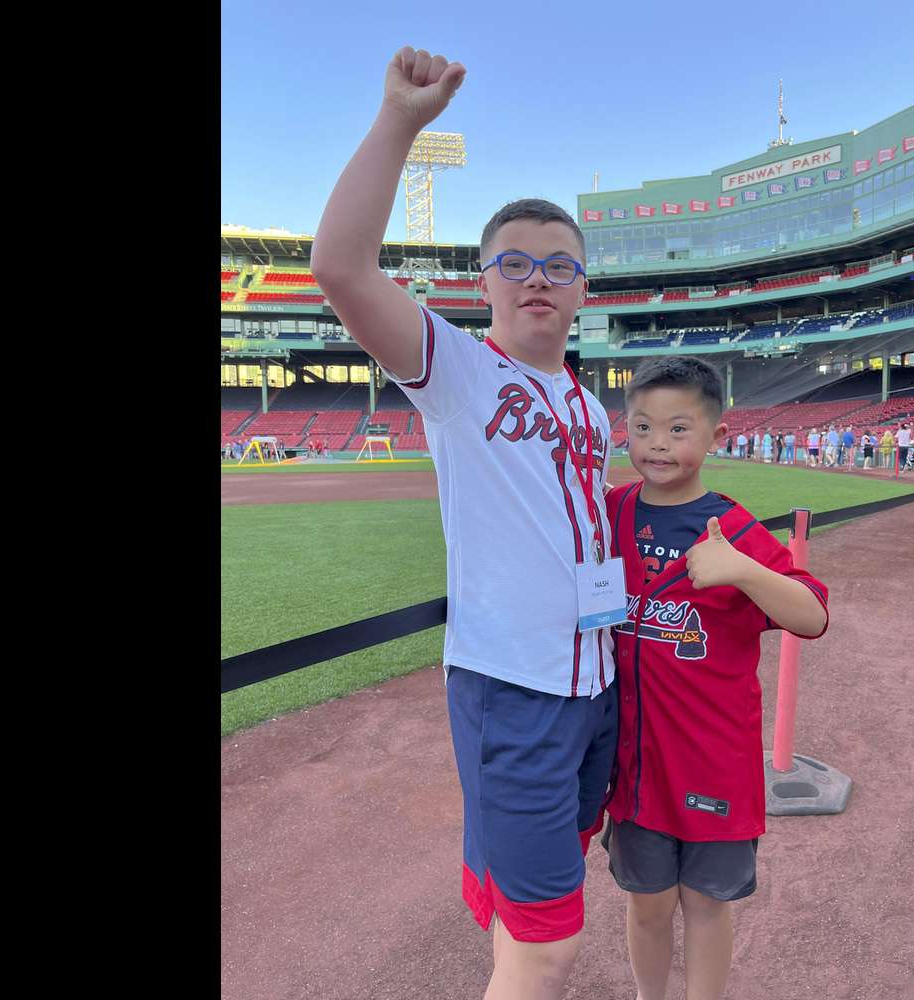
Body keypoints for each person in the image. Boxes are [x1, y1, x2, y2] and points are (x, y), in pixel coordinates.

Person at [311, 46, 619, 1000]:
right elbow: (341, 267)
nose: (538, 278)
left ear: (581, 288)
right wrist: (400, 120)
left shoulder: (588, 402)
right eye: (515, 263)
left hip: (598, 680)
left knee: (545, 877)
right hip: (512, 687)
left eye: (559, 265)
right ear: (484, 279)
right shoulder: (457, 368)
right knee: (551, 943)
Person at [603, 356, 829, 1000]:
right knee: (647, 904)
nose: (657, 445)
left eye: (678, 429)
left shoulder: (731, 529)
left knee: (705, 904)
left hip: (713, 761)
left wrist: (742, 570)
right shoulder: (614, 512)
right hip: (638, 765)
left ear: (715, 438)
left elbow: (811, 615)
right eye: (642, 427)